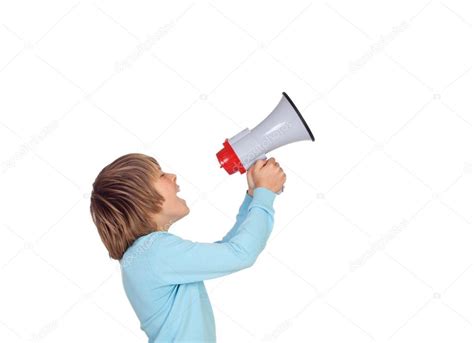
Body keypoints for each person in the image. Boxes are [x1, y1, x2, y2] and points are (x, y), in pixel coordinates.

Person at [89, 153, 286, 342]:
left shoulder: (144, 255)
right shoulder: (154, 252)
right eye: (161, 175)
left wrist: (253, 196)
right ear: (140, 198)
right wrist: (265, 195)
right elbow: (241, 254)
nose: (173, 176)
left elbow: (229, 250)